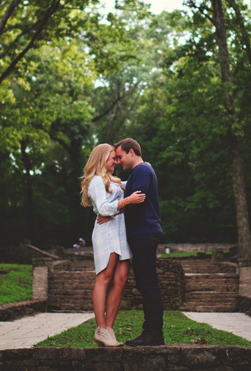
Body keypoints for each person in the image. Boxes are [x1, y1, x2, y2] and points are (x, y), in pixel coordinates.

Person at [80, 143, 146, 347]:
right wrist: (126, 203)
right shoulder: (96, 182)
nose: (116, 161)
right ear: (101, 158)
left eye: (117, 158)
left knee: (121, 279)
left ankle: (109, 329)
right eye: (112, 157)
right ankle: (100, 328)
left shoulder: (114, 180)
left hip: (120, 231)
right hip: (106, 233)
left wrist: (143, 165)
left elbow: (133, 185)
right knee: (104, 278)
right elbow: (103, 209)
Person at [108, 138, 165, 346]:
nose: (118, 161)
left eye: (120, 156)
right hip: (142, 232)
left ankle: (154, 333)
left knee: (148, 282)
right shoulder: (141, 171)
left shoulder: (141, 171)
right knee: (145, 282)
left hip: (144, 232)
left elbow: (136, 200)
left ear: (132, 152)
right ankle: (152, 331)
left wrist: (111, 210)